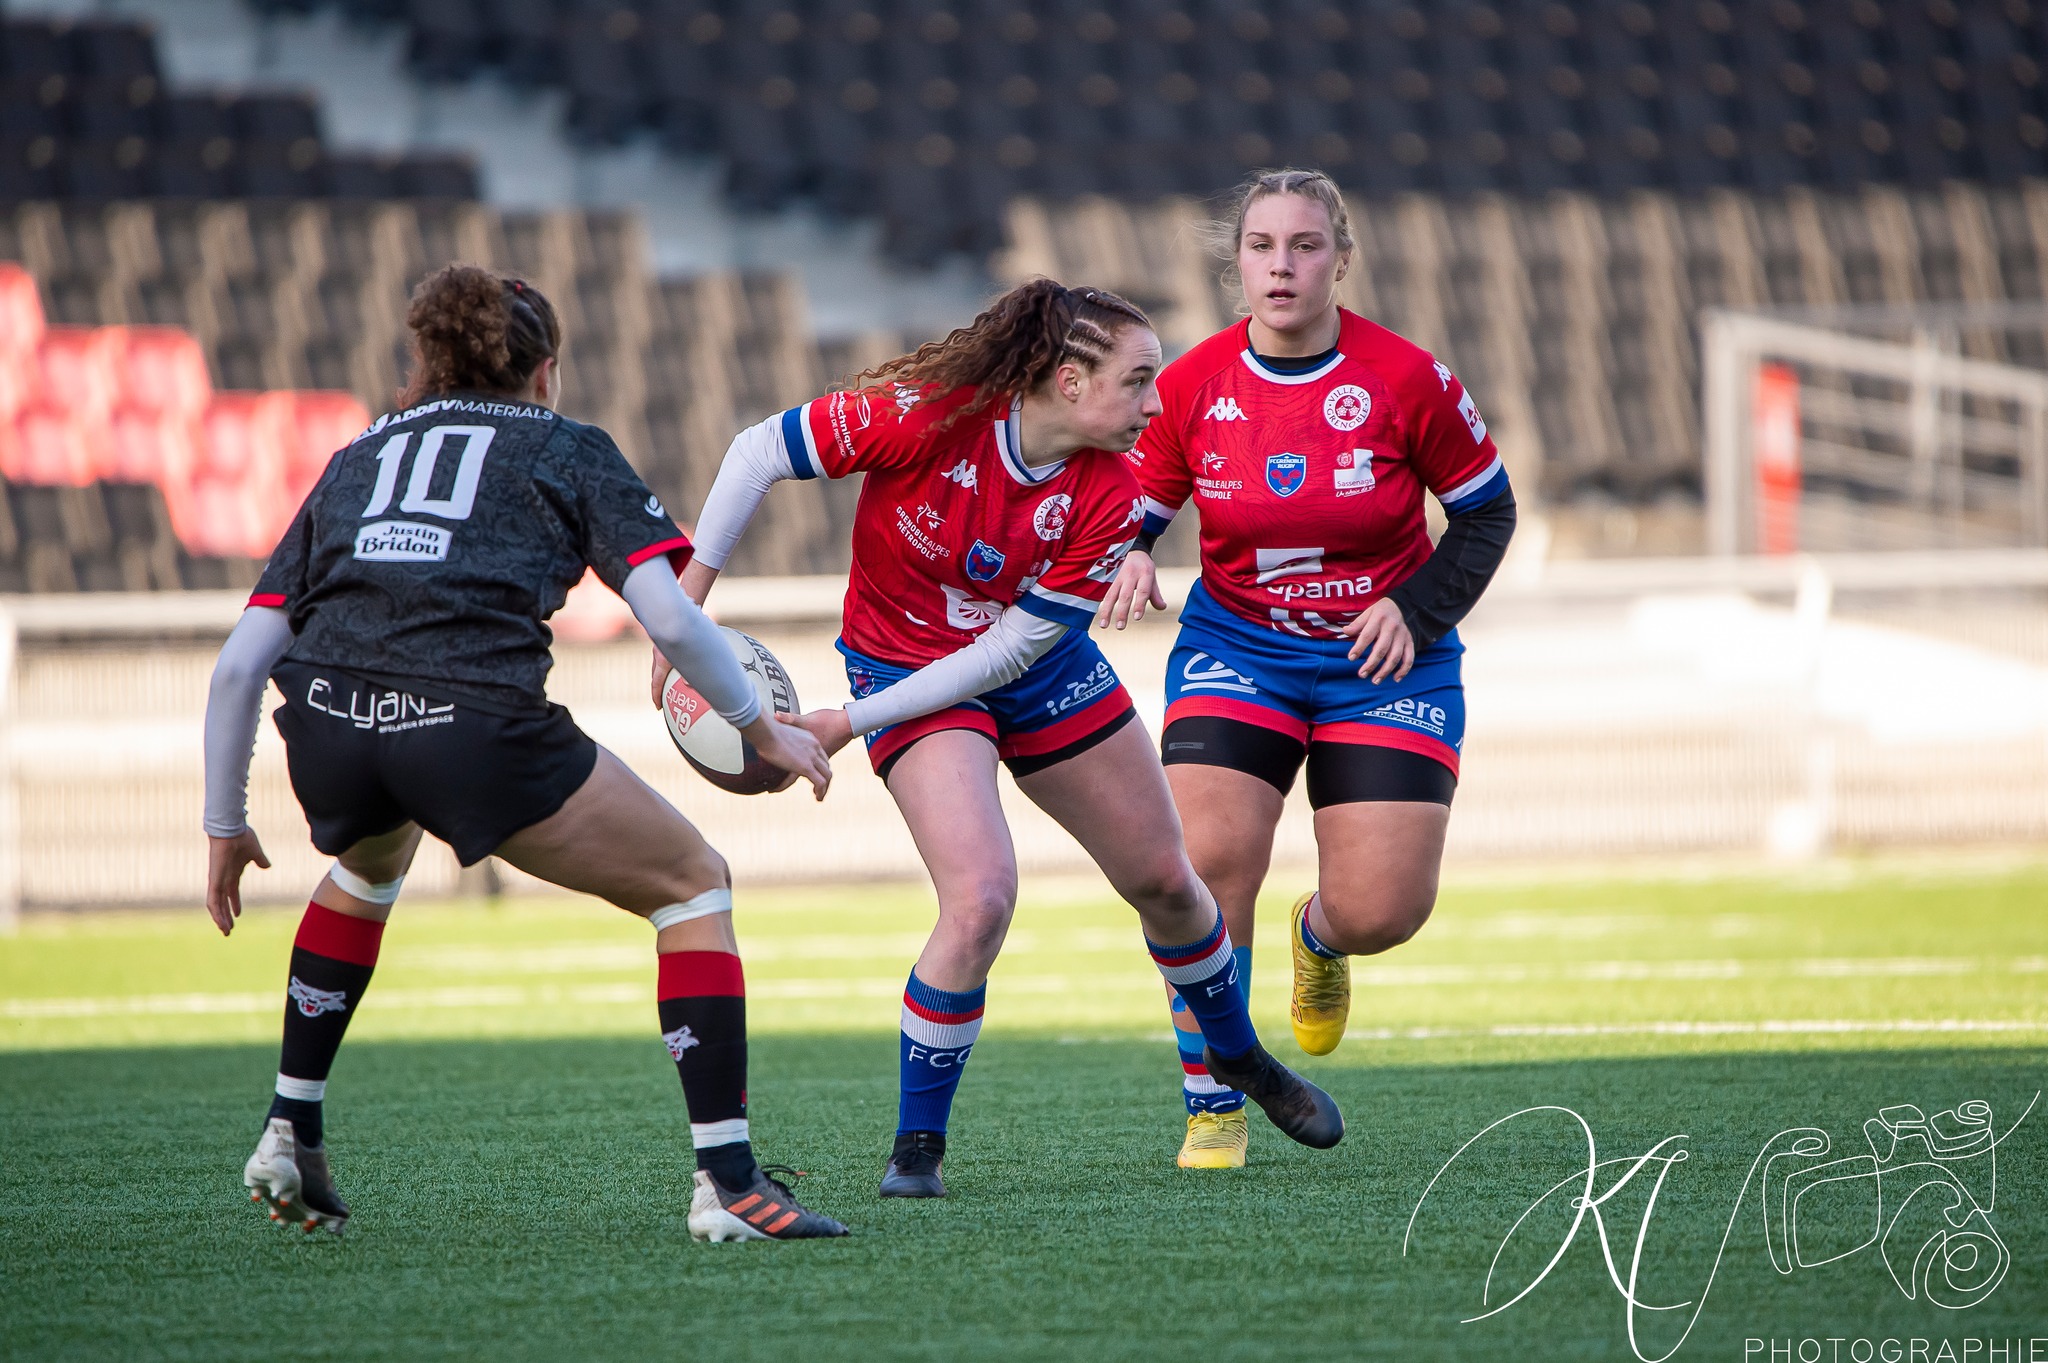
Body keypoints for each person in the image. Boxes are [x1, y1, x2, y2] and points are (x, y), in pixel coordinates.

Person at [203, 265, 847, 1242]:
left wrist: (224, 820)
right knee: (692, 883)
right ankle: (727, 1184)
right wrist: (760, 726)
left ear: (426, 361)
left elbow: (242, 661)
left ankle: (290, 1126)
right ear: (545, 371)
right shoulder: (566, 444)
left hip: (331, 725)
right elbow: (668, 615)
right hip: (470, 727)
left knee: (368, 863)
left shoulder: (357, 454)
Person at [664, 278, 1344, 1198]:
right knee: (980, 895)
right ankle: (916, 1153)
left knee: (1167, 882)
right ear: (1069, 380)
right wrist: (685, 612)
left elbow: (1012, 646)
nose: (1156, 404)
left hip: (1033, 667)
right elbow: (755, 454)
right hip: (905, 671)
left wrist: (840, 724)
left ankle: (1241, 1060)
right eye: (1140, 381)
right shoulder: (926, 413)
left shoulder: (1111, 496)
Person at [1096, 170, 1517, 1169]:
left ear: (1340, 258)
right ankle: (1214, 1103)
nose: (1279, 265)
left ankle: (1320, 938)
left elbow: (1487, 512)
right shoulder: (1193, 383)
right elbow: (1136, 509)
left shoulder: (1408, 379)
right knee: (1206, 861)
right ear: (1235, 262)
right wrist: (1125, 550)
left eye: (1302, 245)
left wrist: (1412, 610)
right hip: (1237, 649)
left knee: (1384, 910)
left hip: (1386, 657)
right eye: (1259, 246)